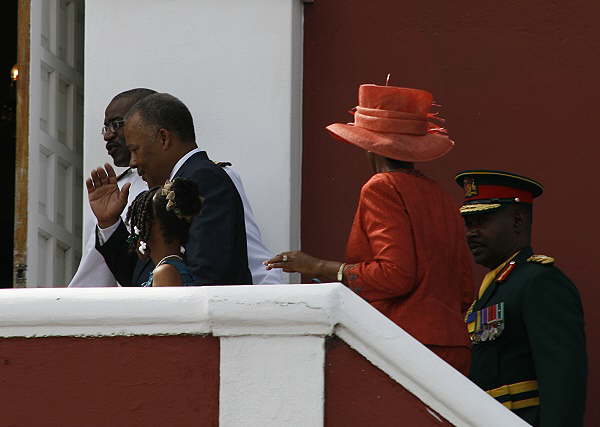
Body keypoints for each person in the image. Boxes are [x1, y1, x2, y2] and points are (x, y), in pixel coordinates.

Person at [266, 84, 474, 374]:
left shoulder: (382, 186)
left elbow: (394, 276)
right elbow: (465, 289)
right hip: (452, 345)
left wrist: (316, 266)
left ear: (367, 145)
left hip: (405, 344)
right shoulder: (438, 194)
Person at [70, 88, 281, 287]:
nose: (133, 163)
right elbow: (138, 278)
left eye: (135, 150)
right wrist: (110, 224)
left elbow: (209, 277)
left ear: (163, 138)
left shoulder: (204, 179)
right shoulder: (178, 181)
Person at [456, 170, 586, 426]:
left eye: (482, 220)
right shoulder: (496, 287)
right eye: (469, 223)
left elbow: (563, 381)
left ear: (517, 221)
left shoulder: (539, 282)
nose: (471, 232)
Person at [68, 88, 156, 287]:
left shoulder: (205, 177)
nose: (107, 135)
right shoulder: (114, 193)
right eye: (105, 127)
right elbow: (96, 273)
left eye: (116, 124)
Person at [126, 178, 201, 287]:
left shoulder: (165, 272)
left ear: (147, 225)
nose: (134, 235)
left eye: (138, 223)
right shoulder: (172, 267)